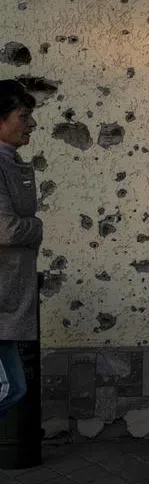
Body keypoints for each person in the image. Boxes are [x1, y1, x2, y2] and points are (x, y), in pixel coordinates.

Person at [0, 80, 40, 416]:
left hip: (7, 296)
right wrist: (37, 227)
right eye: (22, 115)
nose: (31, 124)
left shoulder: (9, 160)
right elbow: (8, 229)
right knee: (10, 387)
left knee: (13, 387)